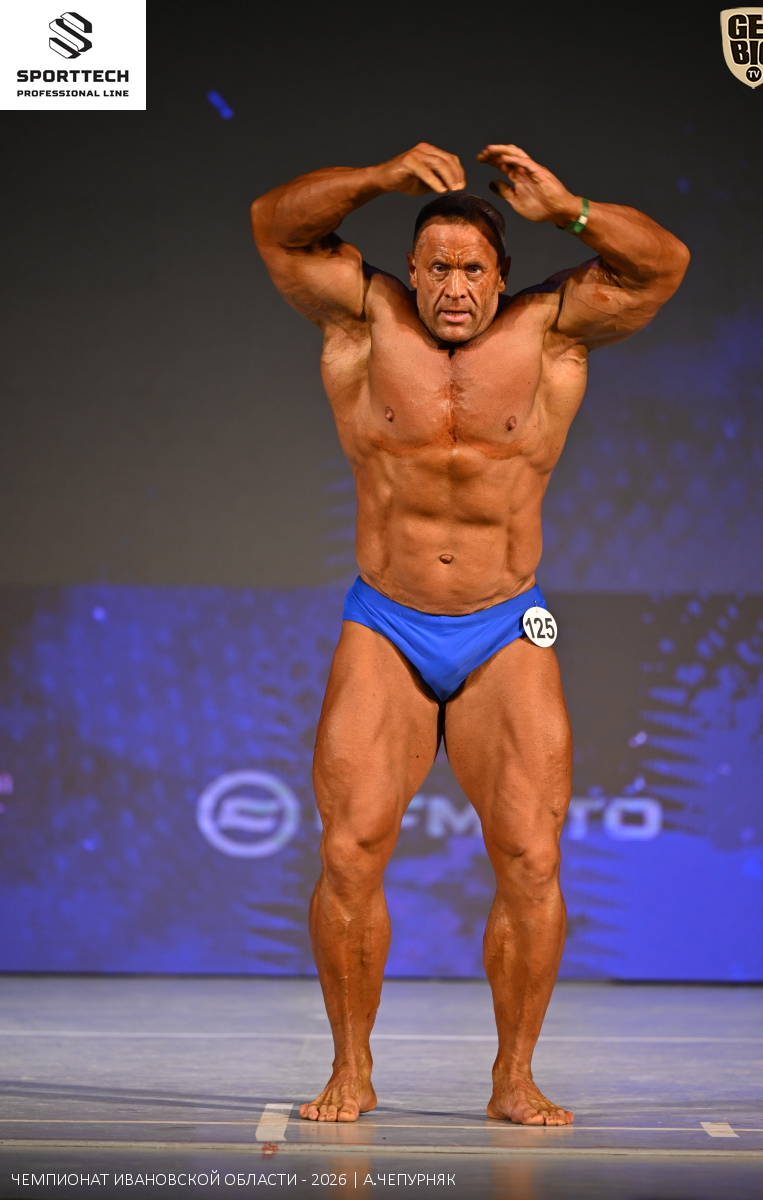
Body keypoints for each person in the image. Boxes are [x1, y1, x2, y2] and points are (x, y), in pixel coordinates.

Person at [251, 143, 689, 1126]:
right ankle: (350, 1068)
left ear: (500, 273)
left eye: (473, 269)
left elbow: (662, 268)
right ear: (412, 270)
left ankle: (513, 1077)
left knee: (532, 860)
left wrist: (570, 209)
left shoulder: (549, 331)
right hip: (386, 622)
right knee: (349, 853)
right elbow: (273, 228)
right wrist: (375, 180)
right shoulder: (364, 319)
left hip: (503, 625)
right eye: (438, 268)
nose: (455, 288)